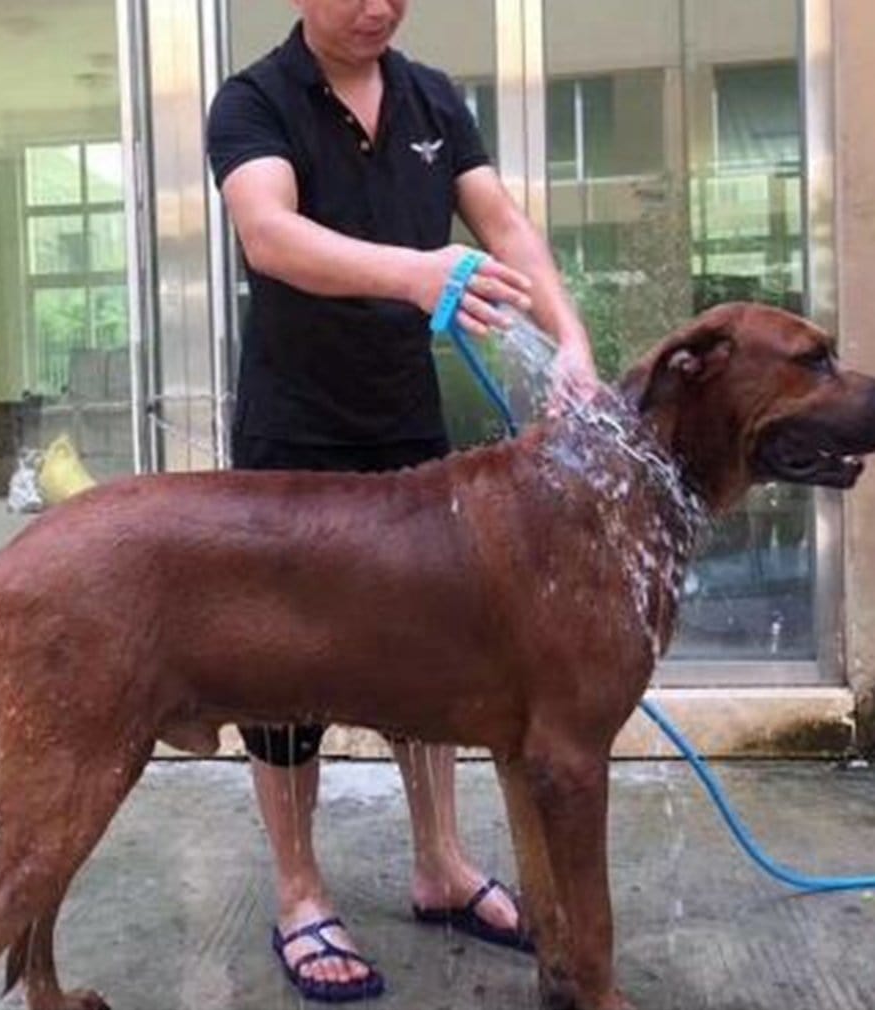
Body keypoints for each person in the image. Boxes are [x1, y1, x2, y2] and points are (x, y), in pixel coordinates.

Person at [206, 0, 598, 1001]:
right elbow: (269, 234)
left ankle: (441, 864)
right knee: (278, 665)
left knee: (429, 648)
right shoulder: (254, 100)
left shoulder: (430, 95)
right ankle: (298, 891)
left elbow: (502, 222)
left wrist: (572, 342)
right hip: (293, 435)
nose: (378, 6)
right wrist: (417, 273)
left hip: (407, 432)